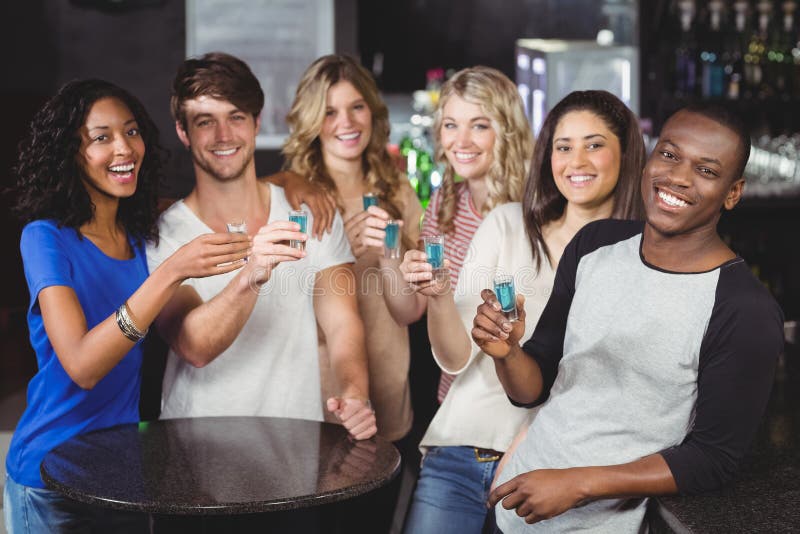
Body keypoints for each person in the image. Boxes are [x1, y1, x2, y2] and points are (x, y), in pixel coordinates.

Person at [474, 104, 784, 533]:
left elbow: (713, 460)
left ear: (733, 193)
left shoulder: (744, 310)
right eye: (670, 155)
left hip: (605, 524)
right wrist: (506, 353)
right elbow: (534, 387)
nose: (677, 177)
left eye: (707, 171)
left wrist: (579, 483)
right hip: (517, 505)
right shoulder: (593, 245)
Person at [3, 79, 250, 533]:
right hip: (49, 477)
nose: (124, 148)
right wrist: (170, 272)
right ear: (70, 153)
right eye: (101, 138)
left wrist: (292, 183)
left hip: (120, 474)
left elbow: (223, 189)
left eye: (131, 132)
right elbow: (81, 365)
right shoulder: (45, 238)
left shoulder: (141, 235)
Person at [401, 90, 645, 533]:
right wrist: (438, 295)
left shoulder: (640, 257)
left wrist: (529, 441)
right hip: (462, 449)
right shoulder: (507, 224)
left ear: (626, 154)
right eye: (563, 147)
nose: (576, 161)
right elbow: (455, 357)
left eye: (594, 144)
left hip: (554, 467)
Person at [146, 52, 376, 439]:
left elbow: (342, 325)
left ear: (256, 123)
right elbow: (194, 346)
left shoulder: (310, 213)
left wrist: (354, 393)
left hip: (295, 445)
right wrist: (252, 273)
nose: (223, 136)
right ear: (183, 132)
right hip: (193, 454)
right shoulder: (164, 234)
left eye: (236, 117)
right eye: (205, 122)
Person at [282, 54, 422, 444]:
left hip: (390, 395)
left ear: (372, 112)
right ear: (311, 122)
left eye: (357, 107)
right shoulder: (294, 197)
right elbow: (280, 305)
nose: (346, 122)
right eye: (329, 112)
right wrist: (339, 255)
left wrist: (387, 256)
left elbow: (408, 311)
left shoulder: (398, 191)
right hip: (317, 404)